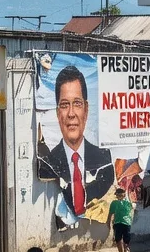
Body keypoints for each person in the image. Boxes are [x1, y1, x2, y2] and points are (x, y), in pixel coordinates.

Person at [38, 65, 114, 220]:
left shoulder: (104, 160)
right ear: (58, 113)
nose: (71, 114)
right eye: (65, 105)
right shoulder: (48, 164)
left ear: (86, 110)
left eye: (77, 104)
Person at [109, 187, 134, 252]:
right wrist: (108, 223)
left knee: (126, 241)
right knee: (118, 239)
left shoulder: (128, 202)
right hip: (117, 223)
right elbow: (110, 213)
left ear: (123, 195)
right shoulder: (114, 203)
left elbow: (132, 210)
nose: (119, 196)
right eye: (118, 195)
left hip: (127, 223)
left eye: (121, 195)